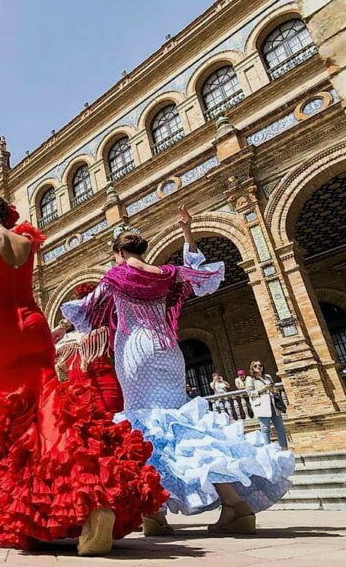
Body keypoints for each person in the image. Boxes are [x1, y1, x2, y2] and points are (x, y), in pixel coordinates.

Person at [0, 199, 167, 555]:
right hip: (34, 325)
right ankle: (93, 499)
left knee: (7, 422)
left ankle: (32, 510)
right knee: (50, 410)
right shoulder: (26, 241)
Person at [63, 207, 294, 536]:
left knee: (144, 428)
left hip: (136, 352)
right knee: (183, 425)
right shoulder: (166, 274)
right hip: (169, 351)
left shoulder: (115, 276)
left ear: (118, 252)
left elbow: (86, 310)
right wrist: (187, 233)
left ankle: (155, 514)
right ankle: (234, 504)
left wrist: (63, 331)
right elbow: (200, 276)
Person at [52, 283, 124, 414]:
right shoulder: (64, 340)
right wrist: (63, 326)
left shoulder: (103, 330)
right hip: (77, 399)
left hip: (107, 391)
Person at [245, 362, 289, 450]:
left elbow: (272, 387)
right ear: (252, 368)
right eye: (255, 366)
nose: (258, 367)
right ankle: (268, 450)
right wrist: (264, 389)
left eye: (260, 365)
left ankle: (284, 448)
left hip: (273, 404)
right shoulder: (250, 379)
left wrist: (274, 390)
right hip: (262, 405)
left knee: (280, 428)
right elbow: (250, 393)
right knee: (265, 429)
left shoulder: (268, 377)